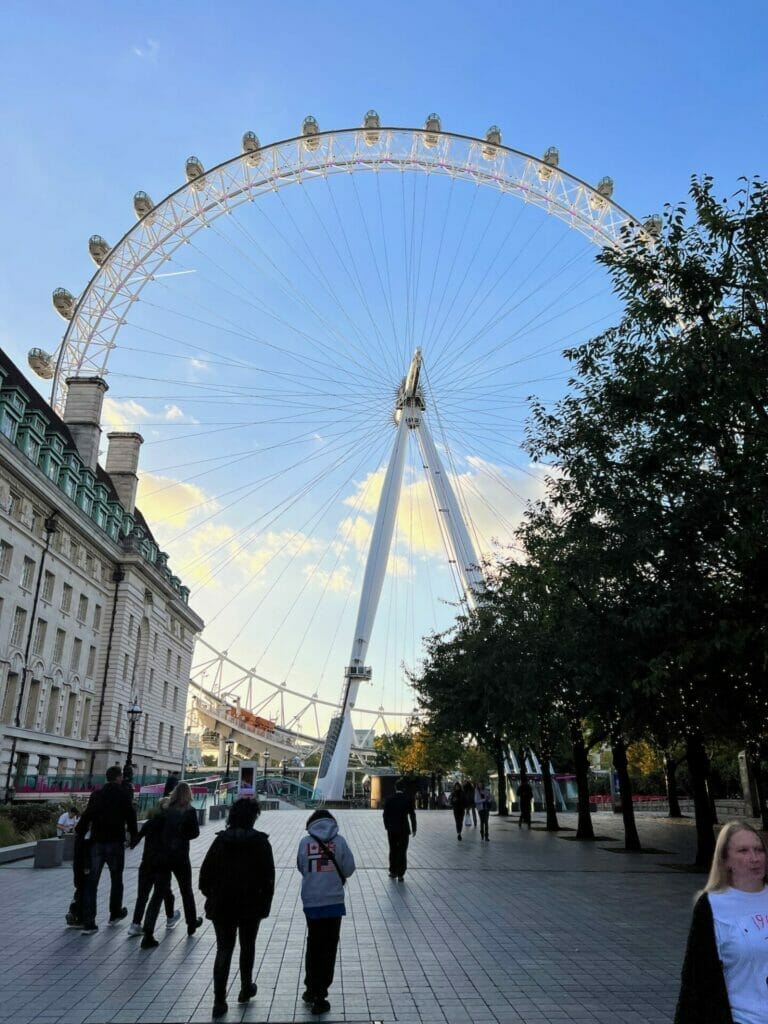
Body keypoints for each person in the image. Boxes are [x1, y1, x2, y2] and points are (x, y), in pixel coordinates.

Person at [674, 820, 768, 1024]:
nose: (754, 858)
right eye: (743, 851)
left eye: (759, 850)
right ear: (726, 860)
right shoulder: (712, 905)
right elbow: (695, 980)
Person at [199, 798, 275, 1019]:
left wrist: (212, 895)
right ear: (254, 817)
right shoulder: (261, 843)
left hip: (222, 905)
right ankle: (245, 987)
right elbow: (268, 878)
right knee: (247, 945)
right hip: (251, 905)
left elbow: (205, 876)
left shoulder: (220, 842)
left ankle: (219, 1000)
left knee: (224, 949)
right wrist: (264, 904)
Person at [297, 810, 356, 1016]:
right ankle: (321, 993)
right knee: (329, 946)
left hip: (312, 900)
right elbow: (348, 869)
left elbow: (301, 866)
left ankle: (309, 987)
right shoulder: (339, 841)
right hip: (333, 901)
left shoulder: (305, 842)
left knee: (313, 943)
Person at [77, 765, 138, 934]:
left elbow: (87, 815)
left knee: (92, 882)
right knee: (116, 879)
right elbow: (130, 816)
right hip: (115, 842)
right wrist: (134, 836)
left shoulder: (97, 795)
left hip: (97, 841)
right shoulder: (123, 795)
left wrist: (80, 833)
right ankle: (114, 913)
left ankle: (89, 922)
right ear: (118, 778)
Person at [141, 781, 202, 948]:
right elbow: (195, 833)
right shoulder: (189, 811)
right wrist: (183, 834)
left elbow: (154, 829)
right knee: (186, 890)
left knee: (158, 894)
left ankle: (148, 932)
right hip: (181, 856)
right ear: (188, 794)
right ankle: (191, 923)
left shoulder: (166, 811)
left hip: (163, 856)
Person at [127, 808, 181, 937]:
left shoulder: (150, 823)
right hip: (162, 864)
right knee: (165, 892)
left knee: (142, 896)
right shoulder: (170, 824)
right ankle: (169, 918)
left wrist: (130, 842)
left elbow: (136, 839)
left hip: (146, 863)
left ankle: (135, 924)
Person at [383, 779, 417, 880]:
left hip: (392, 829)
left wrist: (387, 826)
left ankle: (393, 871)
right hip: (404, 829)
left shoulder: (389, 799)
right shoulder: (408, 799)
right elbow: (412, 815)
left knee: (393, 849)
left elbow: (385, 815)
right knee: (402, 851)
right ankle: (401, 873)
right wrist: (414, 828)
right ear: (404, 788)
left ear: (395, 787)